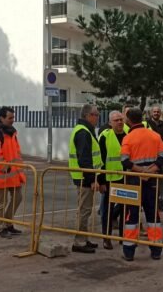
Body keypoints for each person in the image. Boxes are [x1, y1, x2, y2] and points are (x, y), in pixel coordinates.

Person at [120, 107, 163, 261]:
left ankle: (129, 251)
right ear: (142, 118)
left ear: (129, 120)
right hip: (152, 181)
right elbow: (162, 158)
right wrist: (149, 171)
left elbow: (125, 161)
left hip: (134, 182)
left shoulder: (128, 138)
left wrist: (140, 171)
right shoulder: (154, 135)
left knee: (131, 216)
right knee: (153, 215)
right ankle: (156, 250)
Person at [69, 104, 103, 253]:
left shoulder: (85, 130)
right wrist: (92, 179)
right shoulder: (83, 133)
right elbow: (85, 160)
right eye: (96, 114)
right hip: (84, 178)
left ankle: (84, 238)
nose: (98, 117)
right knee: (84, 210)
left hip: (84, 177)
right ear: (88, 116)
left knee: (86, 210)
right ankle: (79, 241)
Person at [0, 106, 26, 239]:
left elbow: (16, 151)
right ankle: (2, 228)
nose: (13, 120)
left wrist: (18, 169)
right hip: (1, 173)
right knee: (1, 202)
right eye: (10, 118)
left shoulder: (12, 132)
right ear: (2, 118)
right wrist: (5, 166)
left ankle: (8, 223)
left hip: (13, 173)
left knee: (18, 197)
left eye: (13, 117)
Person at [97, 110, 127, 250]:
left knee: (125, 208)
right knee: (107, 211)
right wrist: (101, 182)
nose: (120, 122)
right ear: (110, 123)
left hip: (126, 179)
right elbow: (100, 160)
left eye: (121, 119)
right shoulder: (105, 136)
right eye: (116, 120)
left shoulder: (128, 134)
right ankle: (107, 238)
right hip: (109, 180)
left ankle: (122, 237)